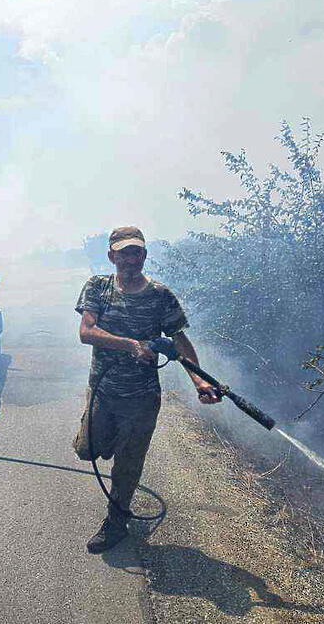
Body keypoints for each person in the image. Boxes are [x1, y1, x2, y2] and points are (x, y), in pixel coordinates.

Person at [73, 226, 221, 554]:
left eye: (136, 252)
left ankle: (115, 523)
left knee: (128, 464)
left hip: (141, 399)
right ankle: (103, 439)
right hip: (103, 390)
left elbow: (179, 339)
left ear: (144, 255)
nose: (130, 258)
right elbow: (87, 332)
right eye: (123, 252)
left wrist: (200, 380)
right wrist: (132, 345)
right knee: (86, 449)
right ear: (112, 256)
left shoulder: (161, 296)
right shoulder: (97, 287)